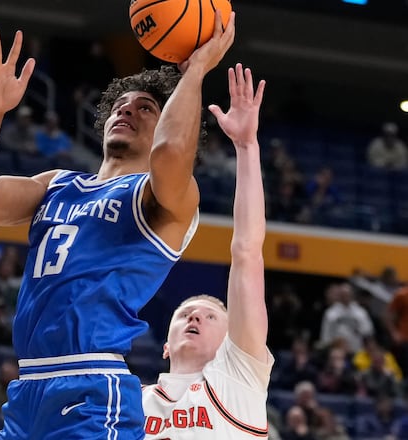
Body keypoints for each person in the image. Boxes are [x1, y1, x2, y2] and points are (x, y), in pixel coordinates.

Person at [0, 12, 235, 440]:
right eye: (121, 106)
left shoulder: (160, 197)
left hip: (92, 384)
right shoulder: (56, 184)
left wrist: (194, 73)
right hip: (28, 387)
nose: (128, 112)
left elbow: (173, 153)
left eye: (146, 108)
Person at [140, 63, 273, 438]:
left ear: (233, 341)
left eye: (210, 317)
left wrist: (247, 147)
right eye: (185, 315)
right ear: (165, 345)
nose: (194, 318)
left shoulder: (238, 374)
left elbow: (247, 250)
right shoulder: (131, 402)